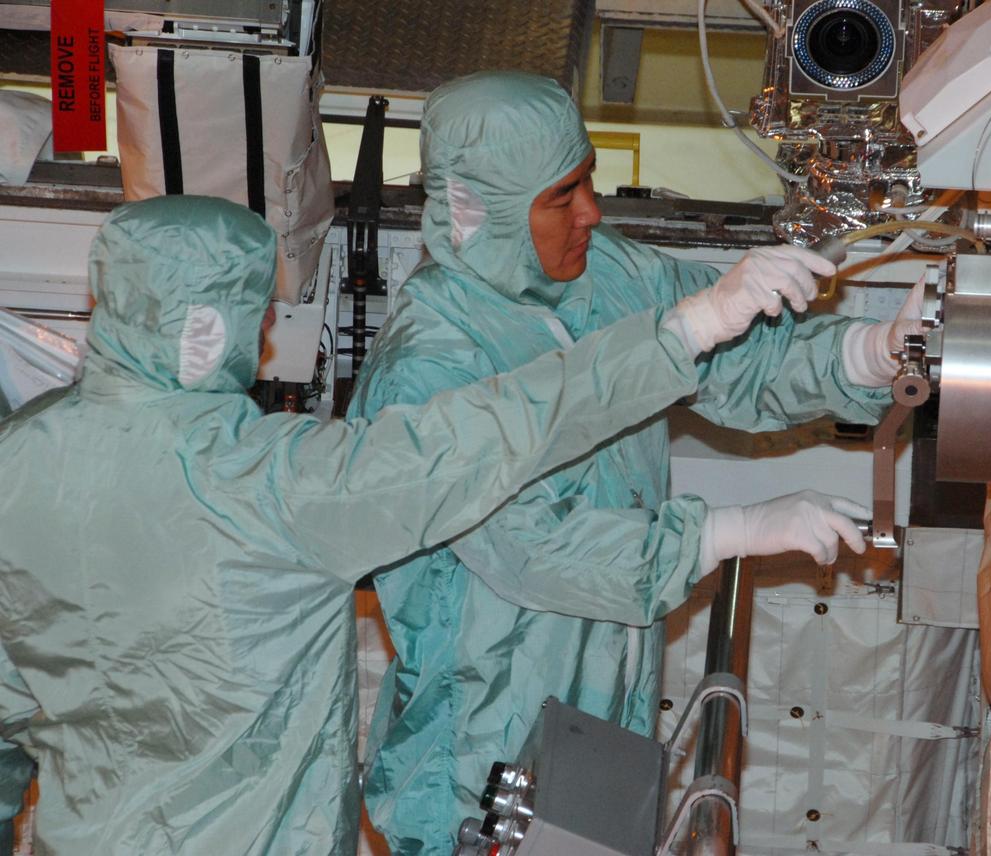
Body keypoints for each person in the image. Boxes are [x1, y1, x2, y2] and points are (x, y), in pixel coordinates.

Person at [0, 193, 800, 855]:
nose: (267, 334)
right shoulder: (270, 481)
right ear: (205, 330)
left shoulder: (20, 457)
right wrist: (688, 329)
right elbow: (482, 436)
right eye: (257, 316)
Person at [349, 71, 925, 853]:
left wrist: (867, 353)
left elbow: (738, 356)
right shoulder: (428, 369)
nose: (591, 211)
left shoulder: (603, 275)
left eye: (588, 179)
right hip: (482, 749)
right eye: (562, 197)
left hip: (609, 696)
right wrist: (726, 532)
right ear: (478, 211)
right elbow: (534, 550)